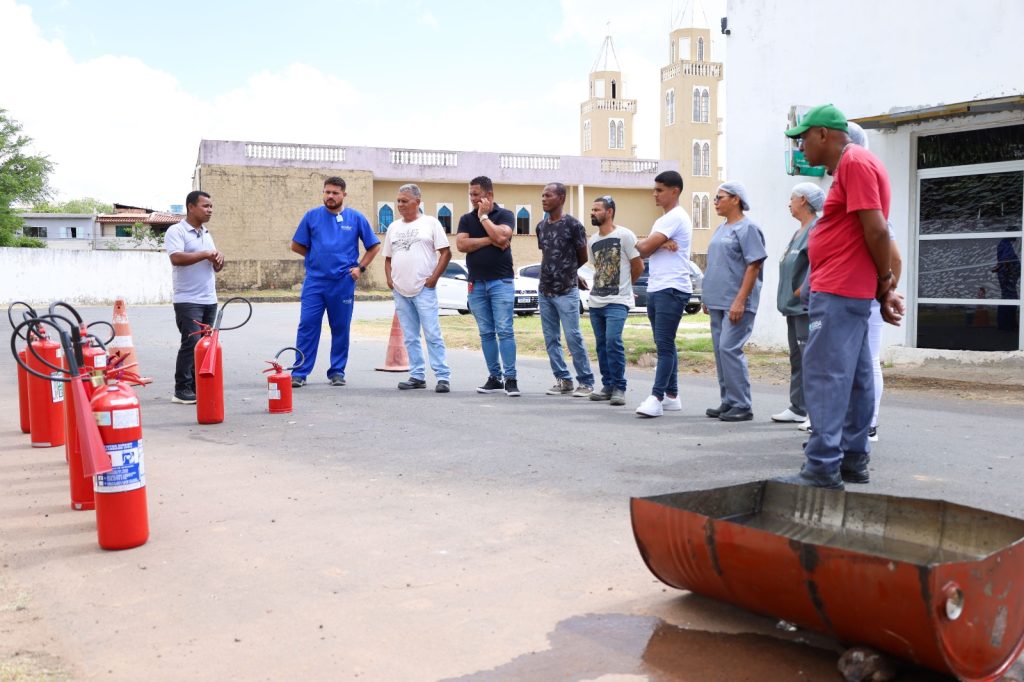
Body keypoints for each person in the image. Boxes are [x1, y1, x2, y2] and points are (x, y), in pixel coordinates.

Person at [780, 103, 904, 490]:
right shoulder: (855, 166)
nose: (800, 148)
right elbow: (867, 231)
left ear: (823, 134)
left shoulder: (855, 162)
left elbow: (878, 231)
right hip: (847, 288)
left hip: (840, 289)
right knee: (855, 377)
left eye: (802, 138)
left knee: (826, 376)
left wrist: (885, 283)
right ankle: (852, 459)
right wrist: (883, 289)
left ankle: (821, 466)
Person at [290, 176, 381, 387]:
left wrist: (360, 267)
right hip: (315, 282)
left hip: (343, 282)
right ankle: (300, 372)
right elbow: (296, 245)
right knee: (307, 325)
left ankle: (337, 371)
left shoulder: (355, 218)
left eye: (335, 193)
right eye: (327, 192)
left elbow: (374, 246)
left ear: (344, 195)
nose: (330, 196)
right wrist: (316, 257)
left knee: (340, 327)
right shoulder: (312, 216)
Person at [847, 122, 903, 442]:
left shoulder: (869, 198)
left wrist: (885, 294)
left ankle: (870, 424)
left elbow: (894, 257)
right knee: (856, 365)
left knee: (867, 363)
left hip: (866, 299)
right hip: (855, 297)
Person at [701, 181, 767, 422]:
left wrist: (740, 300)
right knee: (721, 351)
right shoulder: (721, 229)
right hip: (717, 300)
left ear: (735, 199)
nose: (716, 202)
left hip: (736, 302)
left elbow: (754, 265)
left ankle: (742, 404)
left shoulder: (748, 228)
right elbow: (716, 264)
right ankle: (728, 401)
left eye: (720, 197)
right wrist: (708, 296)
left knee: (730, 348)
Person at [633, 170, 694, 418]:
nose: (654, 194)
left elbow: (643, 249)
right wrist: (656, 243)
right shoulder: (665, 220)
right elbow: (647, 247)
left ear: (674, 191)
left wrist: (651, 243)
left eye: (659, 190)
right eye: (654, 189)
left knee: (665, 345)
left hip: (671, 288)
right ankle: (672, 395)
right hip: (659, 287)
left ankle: (656, 398)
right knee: (664, 343)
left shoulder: (675, 217)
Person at [382, 184, 453, 393]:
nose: (400, 205)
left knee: (432, 333)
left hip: (424, 289)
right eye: (398, 201)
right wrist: (389, 279)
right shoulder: (393, 227)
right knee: (410, 336)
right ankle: (417, 375)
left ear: (417, 202)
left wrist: (433, 279)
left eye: (404, 201)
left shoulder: (430, 223)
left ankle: (442, 376)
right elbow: (387, 258)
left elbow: (446, 253)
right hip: (400, 291)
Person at [456, 176, 519, 396]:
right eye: (471, 195)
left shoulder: (505, 215)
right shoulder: (465, 219)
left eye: (476, 194)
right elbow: (462, 244)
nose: (473, 199)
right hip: (476, 284)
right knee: (486, 333)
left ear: (489, 195)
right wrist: (489, 240)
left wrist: (483, 218)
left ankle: (511, 378)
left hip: (501, 282)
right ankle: (495, 377)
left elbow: (502, 236)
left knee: (504, 330)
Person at [771, 182, 825, 424]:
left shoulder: (816, 229)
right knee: (797, 358)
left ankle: (816, 413)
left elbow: (818, 263)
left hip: (805, 306)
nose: (789, 204)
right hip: (792, 308)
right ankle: (797, 407)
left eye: (792, 199)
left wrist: (803, 289)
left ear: (803, 200)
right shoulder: (799, 231)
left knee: (810, 359)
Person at [164, 190, 224, 404]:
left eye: (211, 207)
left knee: (206, 345)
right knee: (191, 343)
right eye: (205, 206)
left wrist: (218, 260)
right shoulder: (176, 231)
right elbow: (176, 258)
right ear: (191, 207)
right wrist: (206, 254)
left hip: (209, 298)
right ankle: (181, 389)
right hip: (188, 300)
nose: (210, 210)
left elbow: (213, 265)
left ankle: (198, 387)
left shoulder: (206, 233)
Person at [536, 182, 595, 396]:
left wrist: (571, 274)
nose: (543, 199)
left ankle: (586, 382)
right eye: (542, 195)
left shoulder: (574, 225)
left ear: (561, 198)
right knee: (551, 338)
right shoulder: (541, 226)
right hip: (545, 290)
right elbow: (548, 254)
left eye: (548, 195)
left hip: (566, 291)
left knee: (573, 337)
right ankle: (563, 379)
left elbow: (582, 256)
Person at [586, 195, 643, 406]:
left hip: (618, 301)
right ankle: (608, 385)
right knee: (601, 345)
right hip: (596, 301)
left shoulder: (625, 235)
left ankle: (620, 387)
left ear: (609, 212)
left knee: (613, 341)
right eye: (592, 210)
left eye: (597, 209)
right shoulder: (592, 241)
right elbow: (598, 268)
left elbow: (638, 266)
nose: (592, 213)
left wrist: (626, 287)